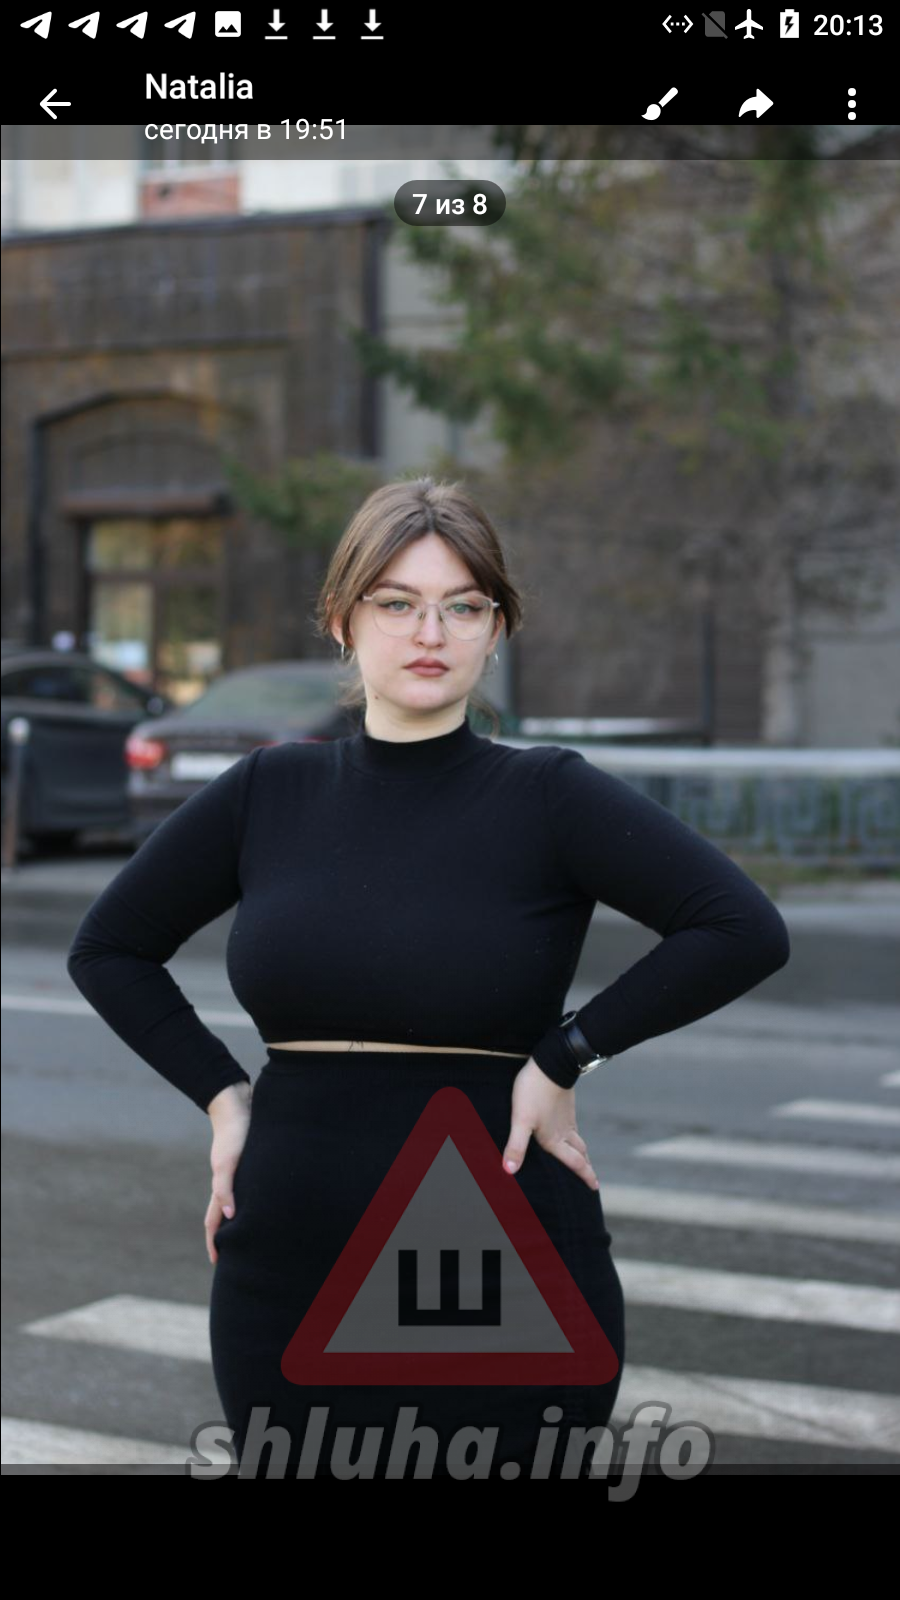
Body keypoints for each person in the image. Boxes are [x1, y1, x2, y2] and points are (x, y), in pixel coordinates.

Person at [66, 476, 790, 1480]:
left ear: (497, 630)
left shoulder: (548, 795)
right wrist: (226, 1099)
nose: (430, 632)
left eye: (464, 606)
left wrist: (566, 1057)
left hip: (498, 1250)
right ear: (342, 619)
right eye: (397, 602)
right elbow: (108, 949)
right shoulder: (269, 792)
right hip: (292, 1251)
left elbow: (742, 928)